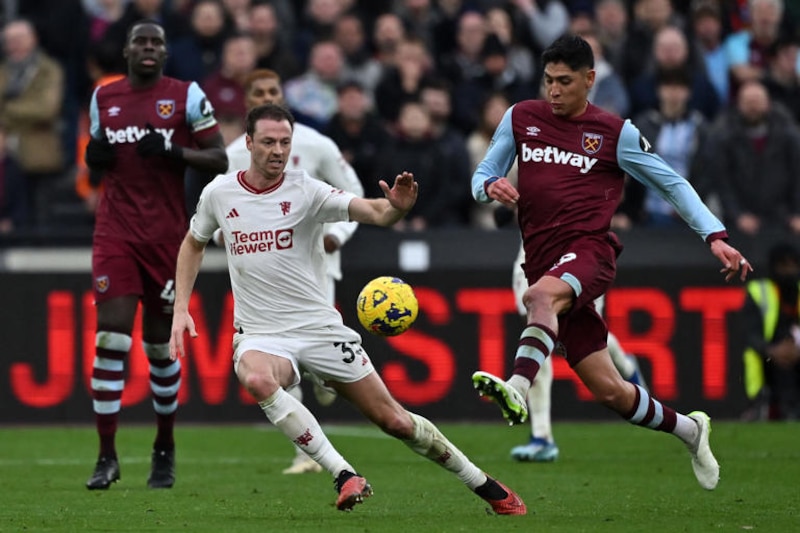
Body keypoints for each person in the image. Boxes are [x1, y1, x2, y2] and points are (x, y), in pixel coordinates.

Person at [169, 102, 526, 515]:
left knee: (396, 422)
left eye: (284, 142)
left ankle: (484, 485)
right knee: (256, 376)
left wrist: (397, 208)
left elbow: (374, 211)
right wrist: (181, 308)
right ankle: (344, 474)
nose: (278, 151)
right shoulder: (219, 193)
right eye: (268, 142)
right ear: (248, 143)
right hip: (263, 333)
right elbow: (193, 242)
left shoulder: (307, 189)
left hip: (319, 328)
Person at [470, 34, 753, 491]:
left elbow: (672, 184)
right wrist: (489, 187)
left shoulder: (614, 133)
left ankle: (517, 390)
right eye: (548, 81)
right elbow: (482, 173)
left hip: (590, 253)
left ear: (590, 79)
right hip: (542, 260)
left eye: (565, 81)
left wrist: (715, 235)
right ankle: (691, 430)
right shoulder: (521, 117)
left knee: (538, 297)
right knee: (612, 392)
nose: (554, 91)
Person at [83, 19, 228, 490]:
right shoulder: (104, 97)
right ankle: (106, 456)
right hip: (116, 233)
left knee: (160, 349)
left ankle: (163, 447)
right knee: (111, 340)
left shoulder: (185, 95)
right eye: (140, 42)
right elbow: (96, 155)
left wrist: (174, 151)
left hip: (168, 238)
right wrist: (94, 157)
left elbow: (220, 158)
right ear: (126, 51)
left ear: (165, 53)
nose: (148, 48)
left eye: (156, 43)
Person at [224, 68, 364, 474]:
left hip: (316, 266)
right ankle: (306, 454)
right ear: (247, 99)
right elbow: (222, 211)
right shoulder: (234, 152)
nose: (267, 95)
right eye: (259, 91)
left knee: (313, 357)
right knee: (276, 352)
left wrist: (337, 233)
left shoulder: (316, 144)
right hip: (265, 271)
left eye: (273, 89)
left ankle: (322, 376)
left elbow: (352, 189)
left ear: (283, 95)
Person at [508, 243, 648, 462]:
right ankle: (541, 436)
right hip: (533, 252)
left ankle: (624, 364)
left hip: (579, 251)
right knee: (536, 330)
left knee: (584, 336)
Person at [742, 243, 800, 421]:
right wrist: (772, 350)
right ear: (774, 267)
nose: (789, 271)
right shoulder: (758, 291)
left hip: (797, 351)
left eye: (793, 265)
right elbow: (750, 333)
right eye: (784, 265)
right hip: (769, 353)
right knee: (753, 355)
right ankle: (761, 404)